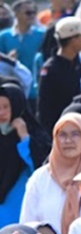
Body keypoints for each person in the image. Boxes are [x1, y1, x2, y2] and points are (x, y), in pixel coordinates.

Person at [20, 112, 81, 234]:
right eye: (62, 134)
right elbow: (27, 225)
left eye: (75, 134)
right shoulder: (40, 179)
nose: (68, 140)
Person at [0, 85, 50, 225]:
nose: (1, 112)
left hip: (19, 206)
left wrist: (24, 138)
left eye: (6, 107)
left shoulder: (35, 136)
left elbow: (40, 166)